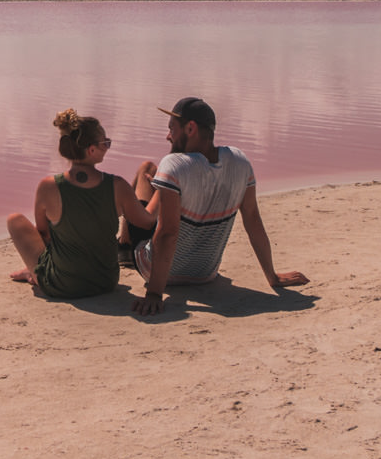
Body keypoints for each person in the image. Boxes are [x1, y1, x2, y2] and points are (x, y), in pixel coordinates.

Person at [131, 96, 309, 315]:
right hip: (205, 274)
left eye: (172, 129)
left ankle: (123, 246)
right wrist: (272, 276)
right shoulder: (240, 161)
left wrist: (154, 294)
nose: (168, 136)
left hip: (156, 272)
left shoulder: (173, 164)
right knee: (162, 184)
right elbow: (252, 220)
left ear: (190, 128)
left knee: (144, 169)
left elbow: (168, 232)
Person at [8, 109, 158, 299]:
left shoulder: (48, 187)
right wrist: (162, 191)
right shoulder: (117, 186)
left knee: (15, 220)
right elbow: (147, 222)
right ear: (92, 150)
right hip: (105, 282)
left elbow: (44, 234)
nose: (108, 146)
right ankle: (33, 270)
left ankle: (34, 271)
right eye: (106, 143)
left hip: (62, 285)